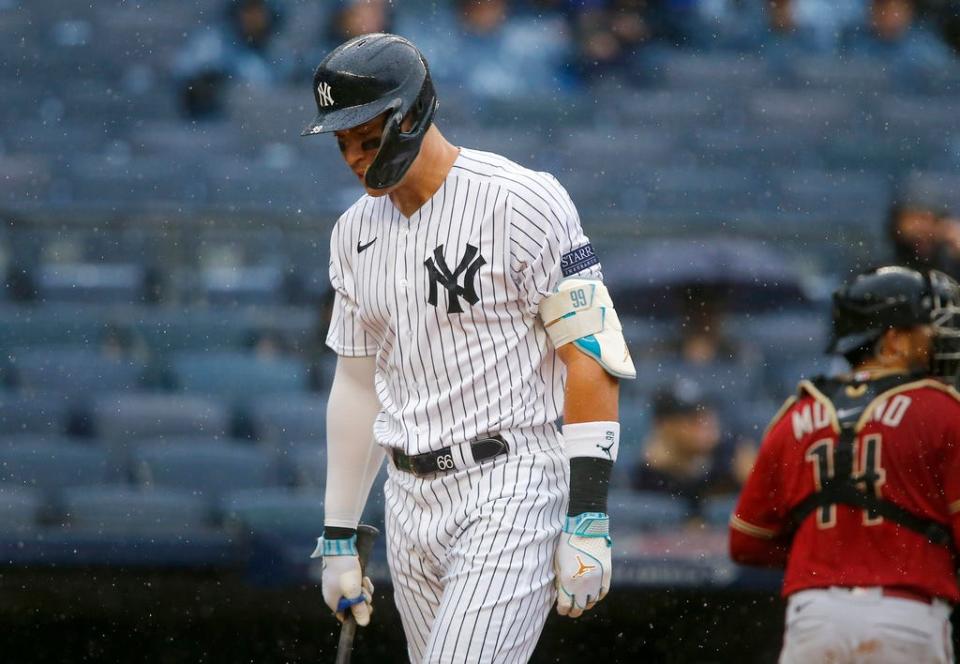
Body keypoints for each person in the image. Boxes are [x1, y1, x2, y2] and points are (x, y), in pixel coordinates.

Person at [300, 34, 636, 662]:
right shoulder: (351, 234)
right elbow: (355, 384)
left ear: (414, 113)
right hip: (407, 500)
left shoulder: (524, 199)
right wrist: (339, 535)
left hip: (508, 481)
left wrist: (588, 518)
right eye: (342, 142)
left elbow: (590, 354)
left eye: (368, 137)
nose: (353, 157)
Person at [730, 265, 960, 663]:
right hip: (906, 614)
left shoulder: (794, 416)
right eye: (927, 327)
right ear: (891, 343)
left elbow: (746, 542)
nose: (940, 337)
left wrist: (823, 553)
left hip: (815, 617)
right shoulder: (942, 409)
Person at [631, 382, 750, 516]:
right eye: (691, 418)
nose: (705, 423)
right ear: (664, 425)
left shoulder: (731, 454)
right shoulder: (649, 474)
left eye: (706, 414)